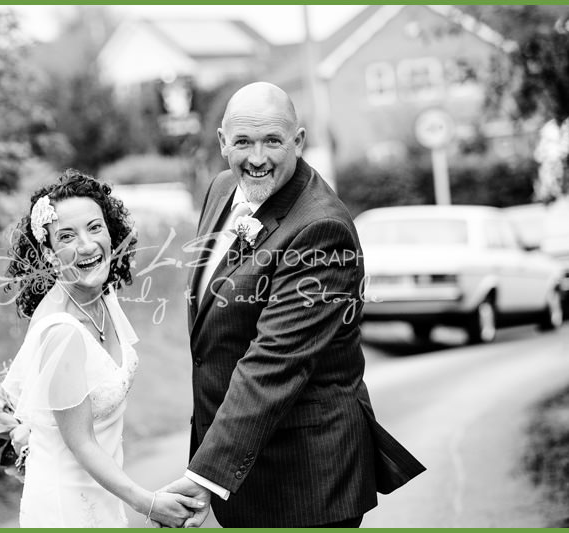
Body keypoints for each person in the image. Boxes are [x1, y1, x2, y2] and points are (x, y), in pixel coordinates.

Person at [159, 82, 426, 527]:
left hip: (307, 481)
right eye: (243, 142)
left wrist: (206, 475)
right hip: (250, 476)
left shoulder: (321, 230)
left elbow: (275, 361)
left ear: (298, 141)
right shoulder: (221, 189)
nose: (257, 158)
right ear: (223, 142)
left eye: (272, 141)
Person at [0, 169, 205, 527]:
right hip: (66, 509)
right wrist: (150, 503)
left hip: (102, 497)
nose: (86, 245)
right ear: (49, 252)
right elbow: (81, 443)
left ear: (111, 232)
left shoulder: (102, 297)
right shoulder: (62, 332)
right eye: (67, 236)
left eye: (94, 228)